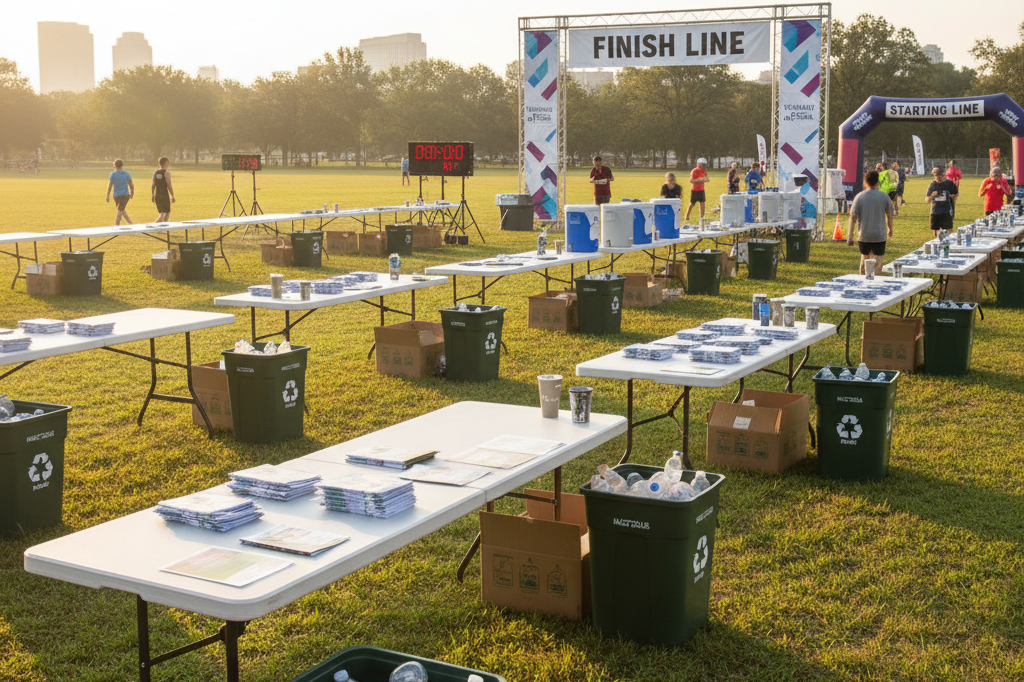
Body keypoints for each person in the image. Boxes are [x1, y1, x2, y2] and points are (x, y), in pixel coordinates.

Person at [847, 170, 894, 275]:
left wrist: (850, 236)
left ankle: (863, 281)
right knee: (878, 261)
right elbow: (890, 215)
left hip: (864, 235)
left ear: (865, 182)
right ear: (878, 182)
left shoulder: (859, 197)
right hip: (880, 235)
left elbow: (853, 217)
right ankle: (875, 281)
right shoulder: (884, 197)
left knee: (865, 259)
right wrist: (890, 228)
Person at [926, 166, 958, 238]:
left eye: (939, 175)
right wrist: (932, 196)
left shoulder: (949, 184)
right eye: (935, 175)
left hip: (946, 210)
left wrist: (950, 195)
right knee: (936, 232)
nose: (937, 177)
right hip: (935, 211)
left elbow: (956, 195)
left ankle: (948, 245)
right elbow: (927, 199)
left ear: (943, 175)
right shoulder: (932, 184)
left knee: (948, 232)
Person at [105, 159, 134, 225]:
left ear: (114, 165)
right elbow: (131, 185)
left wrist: (107, 195)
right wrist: (132, 193)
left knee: (119, 210)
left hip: (117, 195)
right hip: (125, 195)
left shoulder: (113, 174)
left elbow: (109, 186)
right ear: (122, 165)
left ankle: (116, 225)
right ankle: (131, 224)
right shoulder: (126, 174)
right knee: (121, 210)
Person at [684, 157, 709, 222]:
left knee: (702, 203)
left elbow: (707, 179)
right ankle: (687, 216)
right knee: (692, 203)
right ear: (699, 164)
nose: (704, 166)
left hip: (701, 189)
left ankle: (702, 217)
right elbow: (692, 180)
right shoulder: (694, 171)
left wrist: (701, 180)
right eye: (703, 165)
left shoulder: (703, 171)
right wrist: (701, 180)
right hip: (695, 190)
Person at [151, 157, 175, 221]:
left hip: (157, 195)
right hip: (164, 195)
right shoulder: (166, 173)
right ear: (166, 164)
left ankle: (162, 230)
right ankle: (155, 227)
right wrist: (172, 195)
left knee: (164, 213)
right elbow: (169, 185)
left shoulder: (155, 172)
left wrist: (153, 195)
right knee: (165, 213)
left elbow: (153, 184)